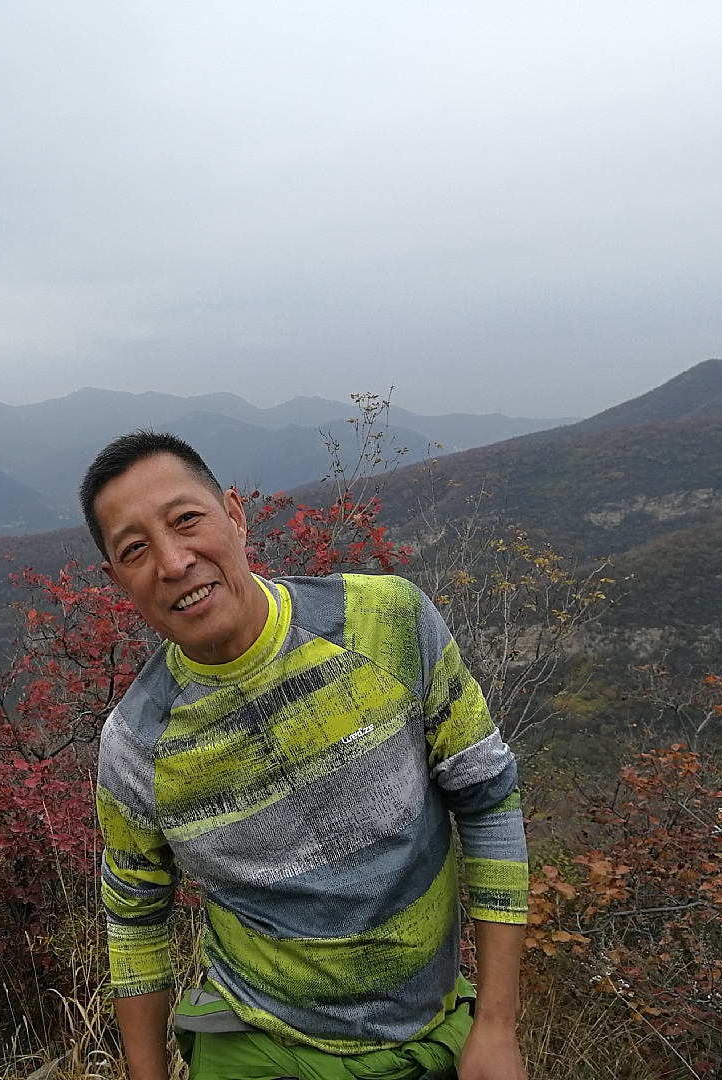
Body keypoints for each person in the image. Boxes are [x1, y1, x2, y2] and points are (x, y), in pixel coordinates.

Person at [83, 432, 530, 1080]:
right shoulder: (136, 746)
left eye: (186, 520)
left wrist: (496, 1024)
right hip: (257, 1044)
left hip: (436, 1029)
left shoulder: (386, 624)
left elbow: (488, 800)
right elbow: (135, 922)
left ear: (234, 514)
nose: (174, 562)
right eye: (135, 549)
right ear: (117, 581)